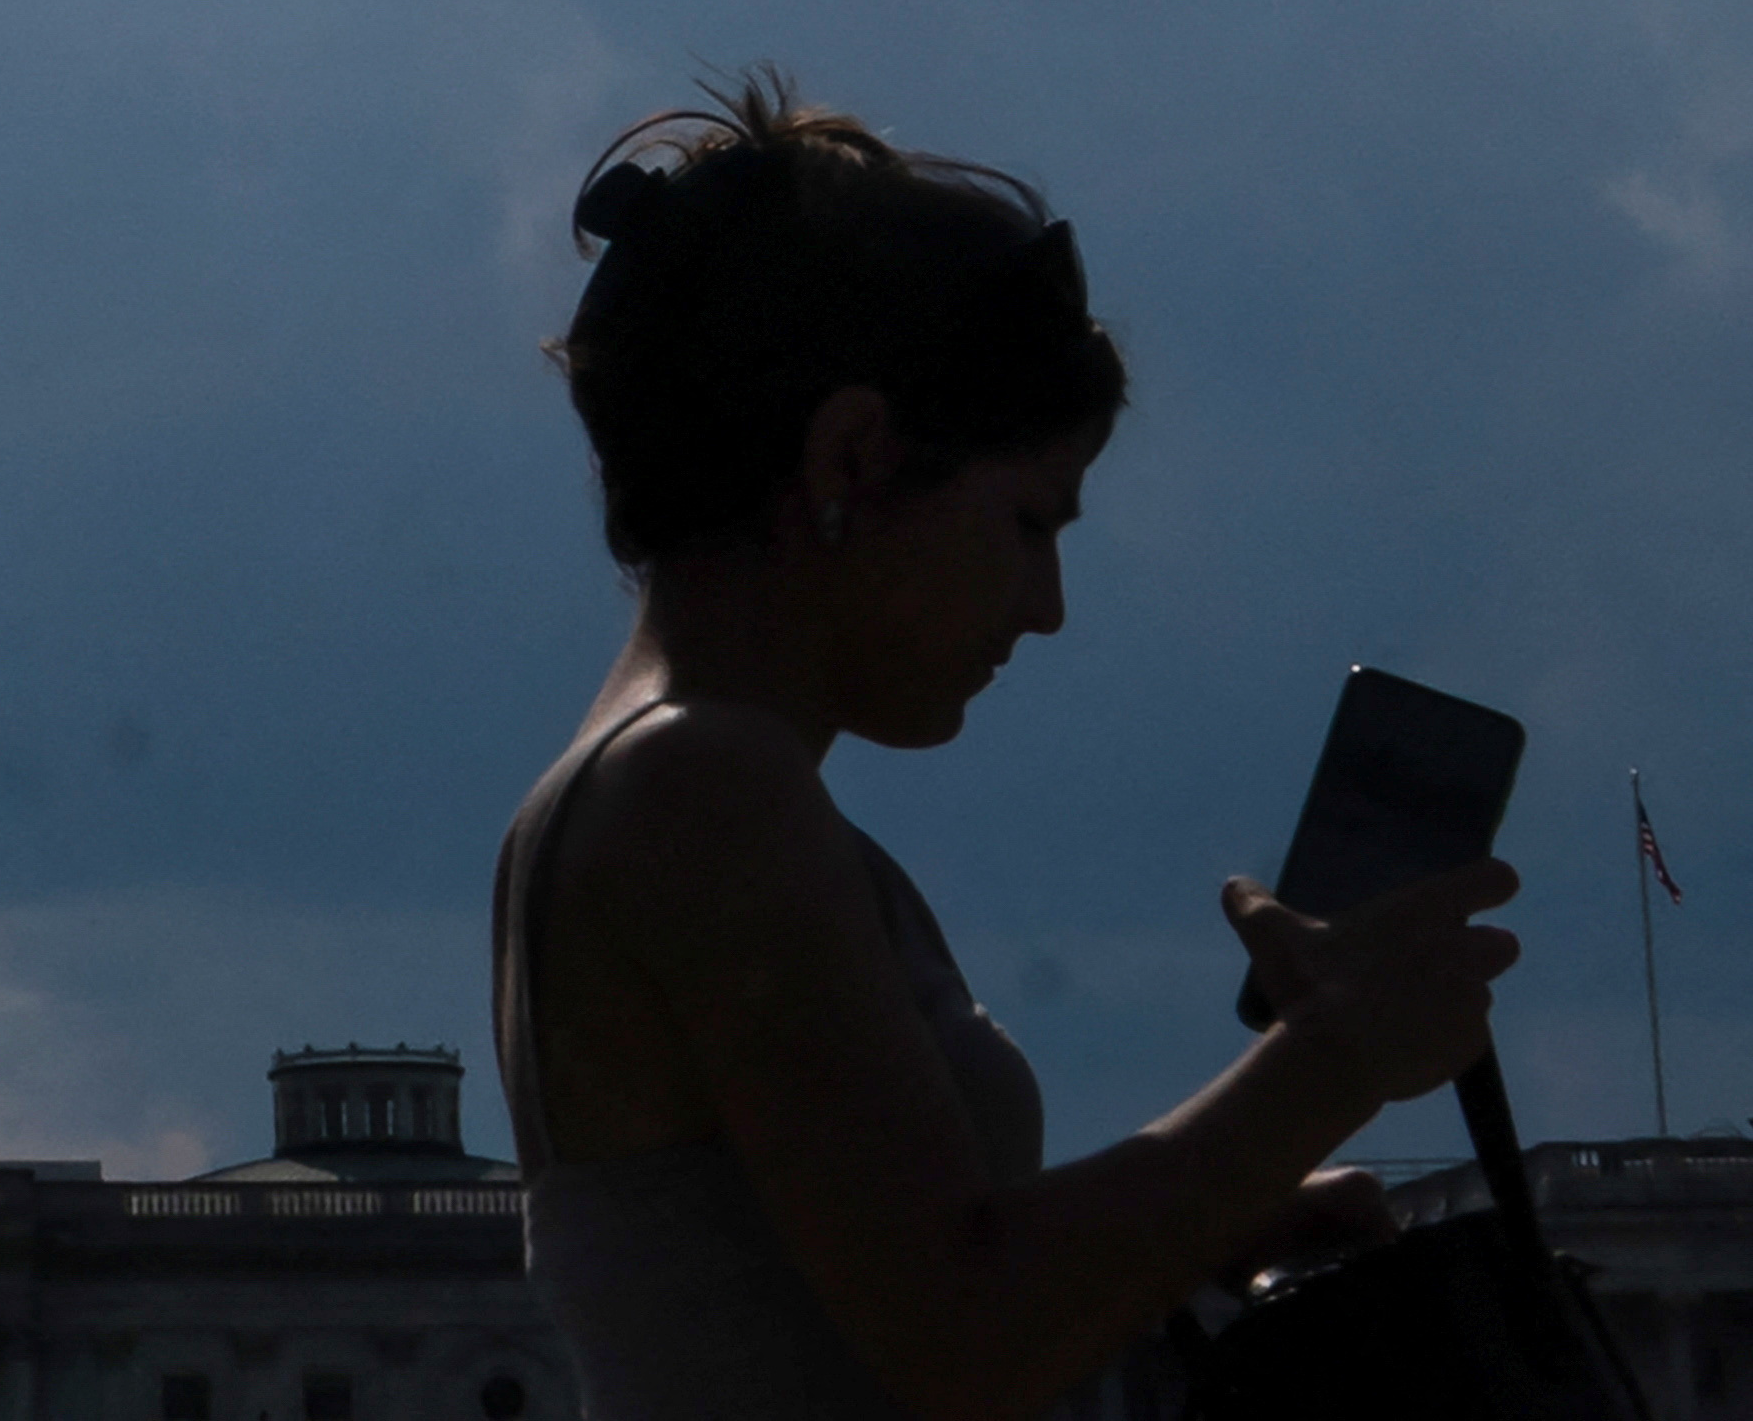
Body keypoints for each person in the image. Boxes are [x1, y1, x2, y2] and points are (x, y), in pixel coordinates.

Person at [489, 75, 1521, 1421]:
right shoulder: (706, 788)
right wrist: (1338, 1059)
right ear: (853, 458)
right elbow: (965, 1331)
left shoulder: (642, 792)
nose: (1046, 608)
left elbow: (860, 1305)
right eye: (1032, 522)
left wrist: (1185, 1244)